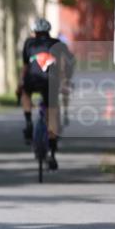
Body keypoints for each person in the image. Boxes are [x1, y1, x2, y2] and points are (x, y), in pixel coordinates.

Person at [17, 18, 74, 169]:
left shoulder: (29, 43)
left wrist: (19, 85)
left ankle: (28, 120)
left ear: (35, 32)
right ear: (49, 31)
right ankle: (53, 153)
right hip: (51, 81)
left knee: (25, 93)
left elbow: (25, 67)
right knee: (52, 115)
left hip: (32, 79)